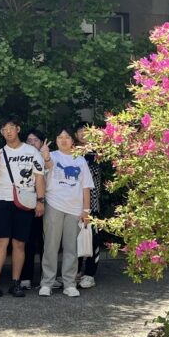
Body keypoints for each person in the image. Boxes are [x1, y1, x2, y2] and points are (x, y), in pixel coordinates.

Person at [0, 117, 51, 299]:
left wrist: (40, 200)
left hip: (25, 199)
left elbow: (39, 177)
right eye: (4, 129)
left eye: (11, 127)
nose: (8, 131)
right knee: (0, 242)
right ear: (1, 132)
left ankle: (16, 282)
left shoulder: (31, 151)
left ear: (18, 129)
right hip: (3, 199)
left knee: (19, 243)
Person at [39, 127, 94, 298]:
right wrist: (45, 156)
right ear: (55, 140)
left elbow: (86, 187)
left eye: (67, 137)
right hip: (54, 205)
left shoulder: (80, 160)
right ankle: (47, 282)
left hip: (75, 209)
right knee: (50, 246)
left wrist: (86, 210)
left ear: (73, 141)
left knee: (71, 247)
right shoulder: (51, 155)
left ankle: (69, 283)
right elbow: (47, 167)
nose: (63, 140)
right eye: (60, 137)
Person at [75, 121, 104, 289]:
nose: (82, 134)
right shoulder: (71, 152)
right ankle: (76, 271)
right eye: (79, 131)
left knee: (92, 240)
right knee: (75, 240)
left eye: (86, 131)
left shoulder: (97, 152)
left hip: (92, 204)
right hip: (73, 204)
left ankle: (90, 274)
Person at [22, 129, 48, 289]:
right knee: (28, 241)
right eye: (29, 140)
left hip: (49, 204)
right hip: (28, 203)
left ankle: (47, 278)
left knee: (47, 242)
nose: (32, 143)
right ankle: (26, 276)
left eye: (35, 140)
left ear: (42, 143)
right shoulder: (22, 158)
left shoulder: (50, 157)